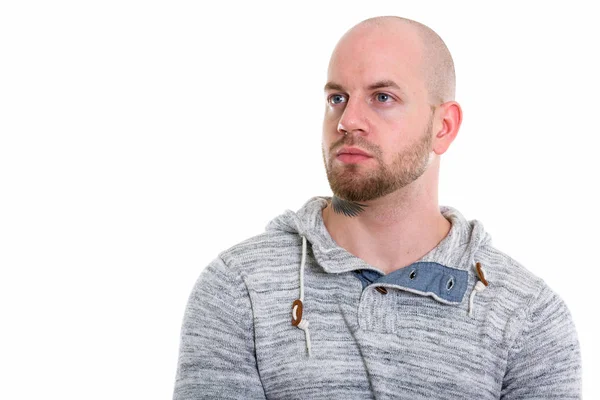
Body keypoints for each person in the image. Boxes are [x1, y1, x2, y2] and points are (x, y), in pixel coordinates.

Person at [173, 16, 581, 399]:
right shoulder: (240, 288)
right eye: (337, 97)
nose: (348, 120)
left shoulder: (528, 317)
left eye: (382, 97)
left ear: (444, 127)